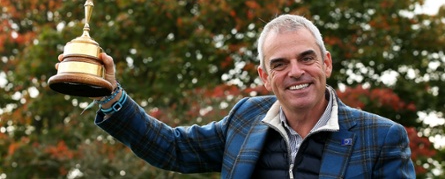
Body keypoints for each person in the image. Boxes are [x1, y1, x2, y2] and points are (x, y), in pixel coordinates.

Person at [64, 14, 415, 178]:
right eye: (280, 64)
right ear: (264, 77)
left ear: (326, 63)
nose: (296, 71)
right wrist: (112, 95)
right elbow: (174, 148)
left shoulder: (381, 138)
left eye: (306, 58)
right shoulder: (245, 118)